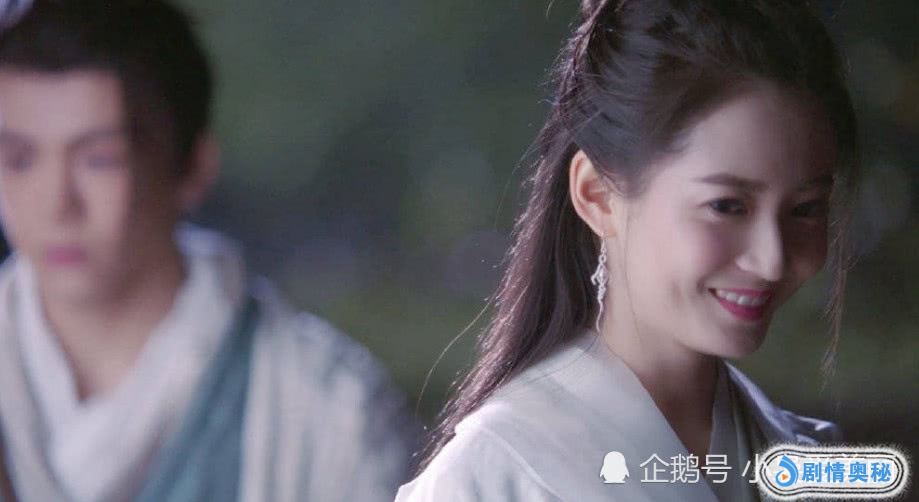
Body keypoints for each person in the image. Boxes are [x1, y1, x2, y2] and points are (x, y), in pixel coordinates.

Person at [396, 0, 859, 500]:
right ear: (598, 195)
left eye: (805, 209)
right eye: (727, 206)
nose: (772, 259)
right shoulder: (494, 476)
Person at [0, 1, 417, 501]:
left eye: (99, 160)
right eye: (18, 159)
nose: (56, 203)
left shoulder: (330, 411)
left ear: (193, 166)